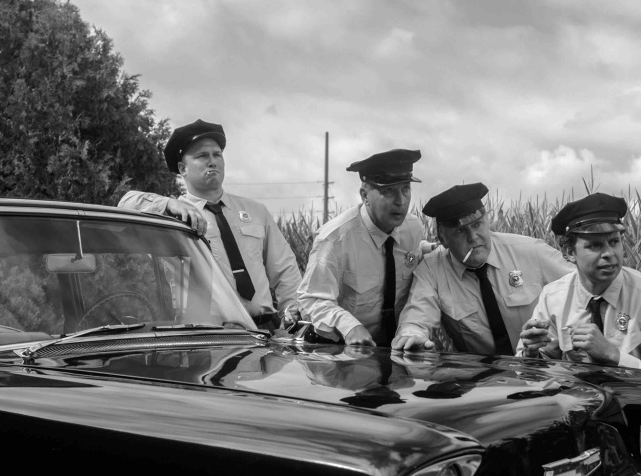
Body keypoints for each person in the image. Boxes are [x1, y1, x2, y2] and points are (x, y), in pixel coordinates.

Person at [117, 119, 301, 331]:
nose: (212, 161)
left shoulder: (256, 211)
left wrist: (292, 315)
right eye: (202, 156)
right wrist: (167, 203)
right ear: (182, 168)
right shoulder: (172, 217)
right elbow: (125, 203)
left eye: (217, 155)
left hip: (265, 331)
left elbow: (284, 268)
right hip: (208, 336)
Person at [392, 183, 574, 355]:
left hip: (542, 367)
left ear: (487, 222)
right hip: (483, 374)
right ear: (443, 238)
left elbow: (581, 286)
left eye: (477, 225)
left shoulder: (531, 252)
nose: (473, 237)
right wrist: (412, 334)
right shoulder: (432, 270)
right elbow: (417, 314)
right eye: (460, 231)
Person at [517, 193, 641, 377]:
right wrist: (531, 355)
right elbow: (534, 371)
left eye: (614, 242)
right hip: (574, 395)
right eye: (595, 245)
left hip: (637, 396)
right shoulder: (553, 297)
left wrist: (612, 354)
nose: (609, 253)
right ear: (570, 252)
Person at [296, 149, 427, 347]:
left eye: (405, 189)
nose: (400, 201)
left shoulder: (413, 229)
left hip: (396, 350)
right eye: (388, 191)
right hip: (340, 351)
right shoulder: (334, 240)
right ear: (365, 195)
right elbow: (311, 301)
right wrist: (349, 326)